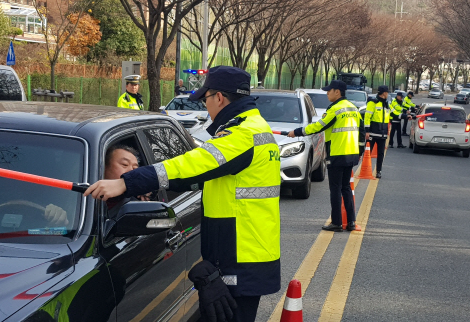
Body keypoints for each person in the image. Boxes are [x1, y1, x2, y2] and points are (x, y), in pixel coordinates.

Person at [84, 66, 281, 322]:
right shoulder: (256, 129)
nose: (206, 107)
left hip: (240, 261)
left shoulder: (242, 135)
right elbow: (208, 178)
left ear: (219, 97)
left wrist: (126, 183)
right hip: (250, 254)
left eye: (205, 99)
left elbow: (190, 165)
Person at [287, 80, 361, 232]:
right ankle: (351, 222)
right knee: (346, 187)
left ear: (337, 92)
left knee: (335, 188)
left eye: (329, 91)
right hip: (351, 154)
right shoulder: (354, 108)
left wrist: (298, 132)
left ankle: (337, 223)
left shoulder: (335, 109)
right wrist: (358, 154)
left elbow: (319, 126)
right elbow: (362, 133)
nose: (327, 93)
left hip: (337, 153)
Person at [365, 85, 390, 179]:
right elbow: (367, 117)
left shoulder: (386, 104)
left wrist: (406, 116)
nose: (388, 94)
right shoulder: (373, 103)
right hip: (372, 133)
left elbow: (393, 114)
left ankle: (378, 171)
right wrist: (367, 131)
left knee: (380, 154)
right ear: (384, 93)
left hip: (382, 134)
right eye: (387, 92)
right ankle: (366, 169)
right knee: (368, 152)